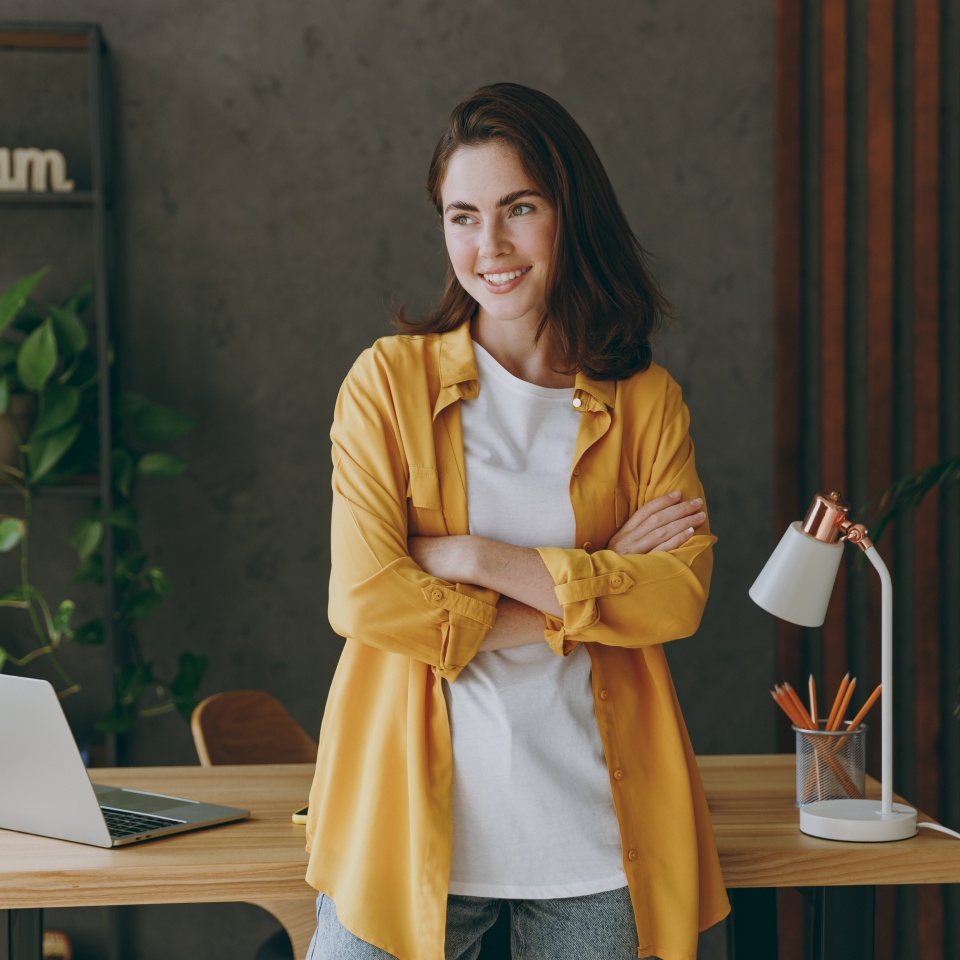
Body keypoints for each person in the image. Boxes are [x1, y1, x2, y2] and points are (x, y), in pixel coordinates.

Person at [304, 82, 729, 960]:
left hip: (595, 841)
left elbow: (677, 597)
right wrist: (597, 576)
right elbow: (366, 600)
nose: (488, 246)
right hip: (402, 832)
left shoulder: (646, 402)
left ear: (572, 214)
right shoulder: (387, 384)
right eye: (462, 216)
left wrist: (470, 554)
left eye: (519, 208)